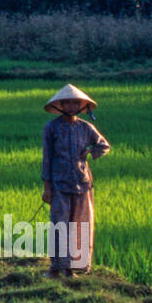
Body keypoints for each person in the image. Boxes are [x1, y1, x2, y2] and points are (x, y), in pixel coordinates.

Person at [41, 85, 110, 278]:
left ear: (80, 106)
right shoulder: (51, 128)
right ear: (60, 104)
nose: (71, 106)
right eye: (68, 102)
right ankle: (56, 268)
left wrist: (90, 151)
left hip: (82, 183)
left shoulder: (86, 127)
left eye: (75, 103)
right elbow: (47, 158)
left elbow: (104, 145)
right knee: (59, 224)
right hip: (59, 184)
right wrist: (47, 187)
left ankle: (74, 268)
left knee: (80, 224)